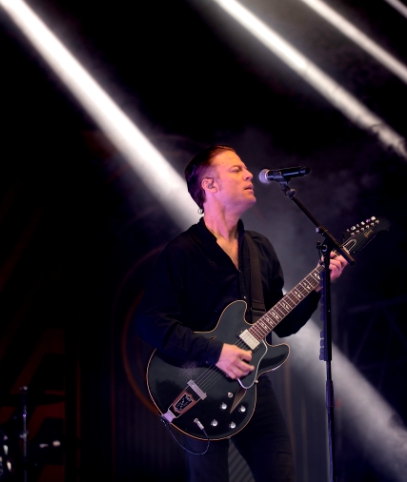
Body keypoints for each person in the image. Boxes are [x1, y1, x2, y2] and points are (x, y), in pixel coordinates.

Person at [136, 146, 347, 482]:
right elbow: (150, 321)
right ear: (209, 185)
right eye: (236, 170)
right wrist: (216, 352)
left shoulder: (259, 248)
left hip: (254, 386)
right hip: (196, 387)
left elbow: (285, 322)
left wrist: (318, 287)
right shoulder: (182, 251)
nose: (249, 174)